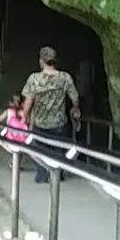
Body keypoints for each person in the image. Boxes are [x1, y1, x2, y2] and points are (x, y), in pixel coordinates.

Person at [21, 46, 80, 184]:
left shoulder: (34, 78)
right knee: (58, 150)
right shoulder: (65, 77)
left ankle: (42, 175)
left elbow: (28, 100)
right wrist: (75, 108)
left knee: (40, 150)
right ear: (55, 61)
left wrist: (25, 115)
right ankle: (57, 175)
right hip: (59, 122)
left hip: (40, 122)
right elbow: (75, 97)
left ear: (41, 61)